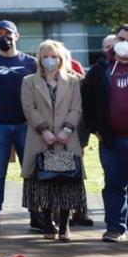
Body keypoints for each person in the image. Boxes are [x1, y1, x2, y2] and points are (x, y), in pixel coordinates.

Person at [20, 40, 85, 241]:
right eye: (46, 56)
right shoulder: (29, 81)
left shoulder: (73, 81)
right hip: (41, 139)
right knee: (44, 180)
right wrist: (44, 130)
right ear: (40, 58)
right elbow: (29, 108)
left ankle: (64, 224)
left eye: (54, 56)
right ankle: (47, 222)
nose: (50, 60)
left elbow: (77, 108)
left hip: (66, 139)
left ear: (61, 58)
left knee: (66, 181)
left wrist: (66, 129)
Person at [0, 20, 37, 230]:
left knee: (31, 171)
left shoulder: (30, 62)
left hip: (26, 125)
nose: (3, 37)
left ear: (17, 36)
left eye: (8, 33)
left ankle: (37, 214)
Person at [85, 24, 128, 242]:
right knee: (113, 185)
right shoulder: (100, 70)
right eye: (121, 39)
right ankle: (115, 227)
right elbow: (87, 102)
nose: (124, 44)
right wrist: (96, 130)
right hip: (112, 140)